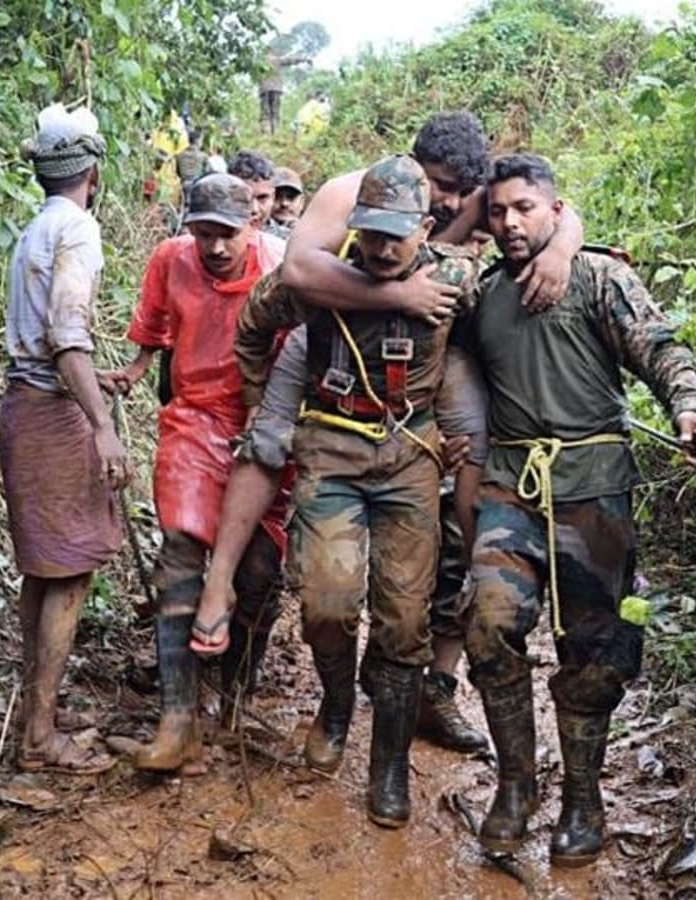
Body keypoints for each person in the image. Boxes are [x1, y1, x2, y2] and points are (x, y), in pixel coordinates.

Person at [192, 111, 589, 755]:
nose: (452, 201)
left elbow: (549, 213)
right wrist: (266, 394)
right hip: (332, 340)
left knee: (459, 494)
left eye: (462, 193)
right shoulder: (351, 194)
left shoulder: (475, 211)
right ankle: (256, 616)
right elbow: (291, 284)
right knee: (269, 453)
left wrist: (566, 247)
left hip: (432, 358)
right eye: (439, 185)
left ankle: (430, 681)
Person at [461, 154, 696, 867]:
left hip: (595, 489)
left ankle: (582, 797)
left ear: (555, 208)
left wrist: (689, 409)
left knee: (599, 654)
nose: (511, 222)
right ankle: (515, 785)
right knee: (487, 623)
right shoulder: (480, 294)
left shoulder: (602, 278)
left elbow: (662, 349)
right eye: (498, 211)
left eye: (525, 208)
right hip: (513, 486)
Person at [235, 155, 482, 828]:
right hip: (332, 451)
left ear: (426, 227)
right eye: (368, 231)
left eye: (393, 236)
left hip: (412, 460)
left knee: (405, 620)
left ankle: (389, 767)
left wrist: (470, 425)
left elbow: (498, 337)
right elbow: (253, 326)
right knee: (326, 603)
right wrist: (264, 410)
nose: (378, 248)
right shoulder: (323, 275)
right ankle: (337, 703)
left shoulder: (456, 276)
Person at [102, 174, 288, 772]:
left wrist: (278, 424)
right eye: (202, 233)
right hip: (194, 416)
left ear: (251, 226)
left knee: (259, 567)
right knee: (180, 551)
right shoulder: (170, 259)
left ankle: (233, 706)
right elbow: (154, 322)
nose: (213, 247)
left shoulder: (280, 267)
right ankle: (177, 720)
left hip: (265, 419)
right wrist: (135, 370)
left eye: (225, 235)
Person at [0, 104, 133, 772]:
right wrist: (104, 428)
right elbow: (66, 334)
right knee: (70, 571)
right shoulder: (77, 229)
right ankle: (40, 738)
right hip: (51, 416)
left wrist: (91, 380)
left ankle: (37, 712)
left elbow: (48, 342)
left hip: (24, 404)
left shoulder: (36, 228)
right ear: (93, 172)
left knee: (43, 568)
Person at [227, 150, 281, 237]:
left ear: (273, 197)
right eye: (244, 197)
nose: (254, 209)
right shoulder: (213, 239)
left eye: (262, 198)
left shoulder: (289, 243)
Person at [260, 48, 310, 134]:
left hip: (264, 89)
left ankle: (266, 132)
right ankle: (275, 132)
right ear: (272, 52)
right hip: (276, 88)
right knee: (275, 111)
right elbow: (290, 60)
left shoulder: (260, 62)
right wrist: (304, 59)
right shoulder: (277, 60)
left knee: (266, 112)